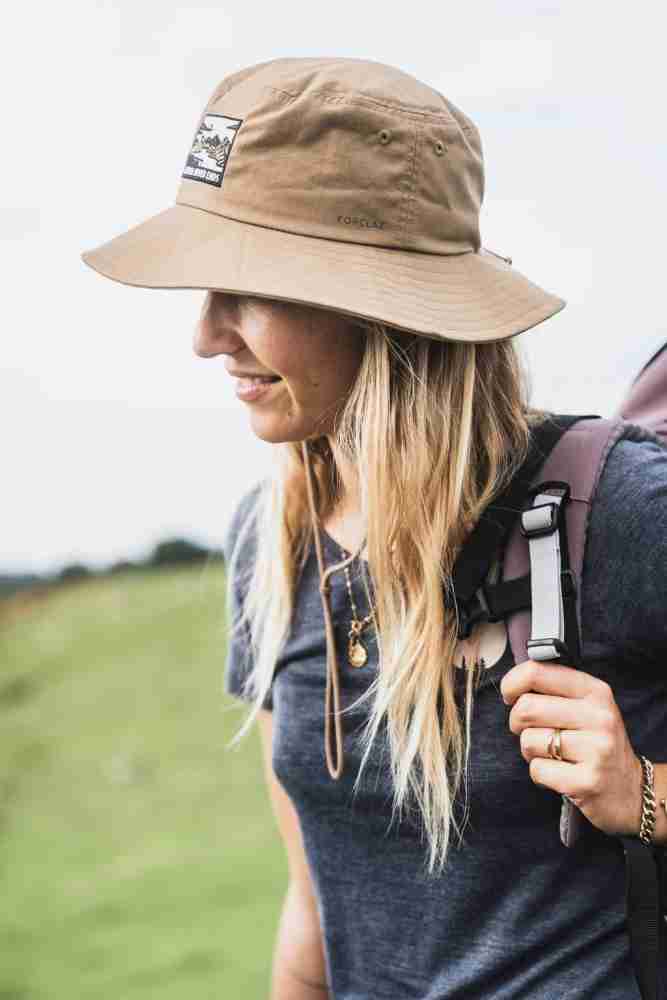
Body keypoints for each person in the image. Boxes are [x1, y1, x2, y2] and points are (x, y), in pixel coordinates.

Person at [81, 57, 667, 1000]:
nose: (206, 334)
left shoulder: (617, 509)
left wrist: (648, 794)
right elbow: (311, 916)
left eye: (246, 286)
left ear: (378, 305)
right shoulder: (270, 546)